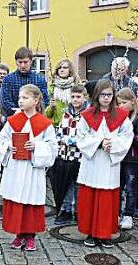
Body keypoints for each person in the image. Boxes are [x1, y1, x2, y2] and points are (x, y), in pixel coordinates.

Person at [0, 84, 58, 251]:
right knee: (17, 201)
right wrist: (9, 146)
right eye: (19, 98)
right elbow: (2, 139)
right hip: (16, 169)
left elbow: (53, 148)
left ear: (36, 100)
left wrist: (37, 146)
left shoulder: (45, 124)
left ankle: (30, 236)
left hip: (33, 170)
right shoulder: (13, 121)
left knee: (31, 202)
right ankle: (19, 234)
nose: (20, 101)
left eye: (25, 98)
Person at [76, 79, 133, 248]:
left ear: (113, 95)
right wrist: (99, 143)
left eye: (109, 94)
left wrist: (112, 144)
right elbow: (81, 136)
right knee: (90, 198)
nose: (106, 98)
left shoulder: (121, 116)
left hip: (109, 163)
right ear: (97, 95)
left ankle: (105, 233)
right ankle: (91, 233)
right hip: (92, 162)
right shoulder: (87, 115)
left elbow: (126, 136)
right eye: (103, 94)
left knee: (108, 200)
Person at [51, 85, 88, 225]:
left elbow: (87, 135)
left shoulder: (87, 114)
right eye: (73, 97)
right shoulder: (66, 113)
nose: (75, 99)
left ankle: (79, 211)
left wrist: (74, 140)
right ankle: (66, 210)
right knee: (66, 184)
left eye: (78, 97)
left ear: (85, 98)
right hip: (64, 155)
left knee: (79, 185)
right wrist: (59, 139)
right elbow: (60, 130)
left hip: (79, 157)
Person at [1, 47, 49, 116]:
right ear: (16, 62)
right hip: (14, 118)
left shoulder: (40, 79)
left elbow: (44, 100)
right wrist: (21, 112)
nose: (23, 65)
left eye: (25, 62)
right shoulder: (8, 80)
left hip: (35, 118)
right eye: (20, 62)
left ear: (31, 62)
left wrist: (32, 112)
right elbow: (6, 102)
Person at [116, 88, 138, 230]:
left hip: (132, 158)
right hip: (119, 157)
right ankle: (116, 213)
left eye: (124, 102)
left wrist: (130, 136)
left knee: (131, 188)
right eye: (118, 103)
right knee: (117, 186)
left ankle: (128, 214)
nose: (121, 106)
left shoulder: (136, 118)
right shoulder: (118, 116)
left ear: (132, 101)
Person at [44, 59, 79, 127]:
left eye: (65, 67)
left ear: (70, 70)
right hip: (56, 127)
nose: (61, 70)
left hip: (73, 126)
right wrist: (51, 107)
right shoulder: (52, 88)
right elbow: (47, 115)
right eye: (59, 68)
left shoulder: (76, 87)